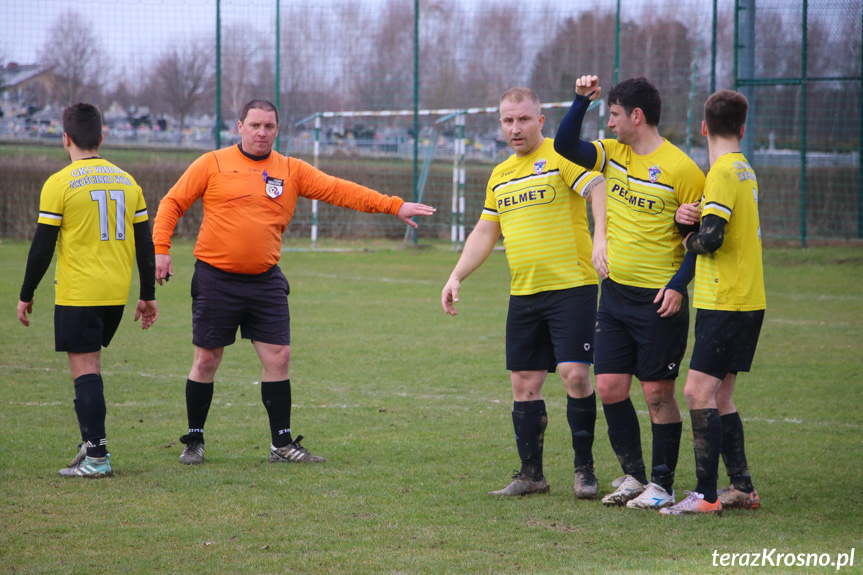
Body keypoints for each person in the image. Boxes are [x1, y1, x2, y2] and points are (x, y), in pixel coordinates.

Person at [153, 99, 435, 466]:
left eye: (269, 126)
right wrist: (161, 248)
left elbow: (339, 189)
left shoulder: (290, 170)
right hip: (215, 278)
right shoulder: (212, 163)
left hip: (265, 281)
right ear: (239, 126)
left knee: (279, 357)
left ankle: (282, 445)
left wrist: (392, 205)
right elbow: (172, 202)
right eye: (254, 125)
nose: (261, 132)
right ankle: (194, 440)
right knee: (206, 359)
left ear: (277, 129)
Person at [441, 87, 607, 498]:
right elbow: (484, 232)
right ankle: (532, 474)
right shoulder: (500, 175)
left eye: (523, 119)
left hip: (573, 287)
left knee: (575, 375)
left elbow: (598, 186)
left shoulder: (560, 156)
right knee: (523, 384)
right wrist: (456, 275)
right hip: (525, 293)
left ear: (540, 121)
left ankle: (584, 470)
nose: (515, 128)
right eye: (507, 120)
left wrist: (600, 237)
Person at [554, 75, 705, 509]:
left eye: (615, 114)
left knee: (657, 393)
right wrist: (582, 100)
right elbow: (565, 144)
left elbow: (699, 243)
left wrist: (678, 286)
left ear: (636, 116)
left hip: (660, 300)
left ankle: (662, 485)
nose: (612, 123)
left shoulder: (683, 170)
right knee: (611, 387)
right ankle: (634, 477)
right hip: (615, 297)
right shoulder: (610, 153)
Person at [17, 102, 159, 478]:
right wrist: (148, 295)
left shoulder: (60, 183)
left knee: (85, 372)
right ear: (102, 135)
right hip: (116, 293)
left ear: (65, 138)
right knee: (91, 369)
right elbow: (146, 245)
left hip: (79, 293)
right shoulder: (128, 181)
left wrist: (26, 292)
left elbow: (42, 247)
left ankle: (97, 457)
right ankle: (90, 443)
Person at [660, 90, 765, 516]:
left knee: (696, 391)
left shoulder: (720, 172)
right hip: (747, 298)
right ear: (743, 128)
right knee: (721, 397)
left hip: (726, 300)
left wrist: (684, 234)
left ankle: (705, 497)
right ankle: (742, 487)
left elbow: (712, 239)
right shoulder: (744, 169)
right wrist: (688, 216)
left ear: (704, 127)